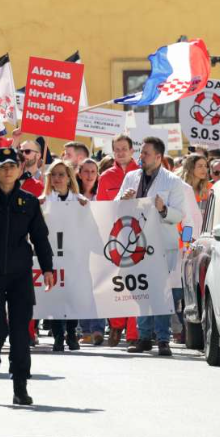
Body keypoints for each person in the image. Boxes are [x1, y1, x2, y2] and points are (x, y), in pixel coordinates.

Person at [0, 147, 55, 406]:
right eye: (2, 166)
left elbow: (40, 237)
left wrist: (47, 268)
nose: (7, 170)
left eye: (12, 165)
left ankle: (20, 386)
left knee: (19, 331)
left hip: (19, 275)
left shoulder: (28, 201)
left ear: (20, 169)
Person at [117, 137, 185, 357]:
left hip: (162, 244)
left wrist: (164, 208)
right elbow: (117, 208)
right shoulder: (130, 177)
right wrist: (123, 199)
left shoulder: (173, 182)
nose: (141, 157)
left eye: (146, 153)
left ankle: (163, 339)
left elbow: (178, 215)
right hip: (136, 242)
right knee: (140, 290)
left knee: (161, 292)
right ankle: (144, 337)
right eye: (141, 152)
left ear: (158, 157)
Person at [96, 134, 140, 347]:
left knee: (137, 287)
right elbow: (101, 208)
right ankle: (116, 323)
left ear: (132, 150)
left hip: (139, 236)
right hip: (114, 237)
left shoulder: (143, 173)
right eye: (117, 149)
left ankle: (133, 335)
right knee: (116, 285)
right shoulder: (105, 176)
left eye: (125, 148)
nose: (121, 152)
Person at [40, 159, 86, 352]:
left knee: (72, 295)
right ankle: (58, 336)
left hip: (73, 254)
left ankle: (72, 333)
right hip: (52, 254)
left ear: (69, 178)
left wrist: (86, 205)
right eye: (54, 175)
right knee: (55, 295)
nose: (57, 178)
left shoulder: (78, 199)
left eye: (61, 174)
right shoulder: (43, 200)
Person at [76, 158, 105, 345]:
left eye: (93, 171)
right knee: (82, 289)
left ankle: (98, 329)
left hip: (99, 247)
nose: (89, 175)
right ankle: (85, 330)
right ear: (79, 174)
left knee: (98, 288)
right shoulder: (72, 195)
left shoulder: (102, 195)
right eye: (86, 171)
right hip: (78, 248)